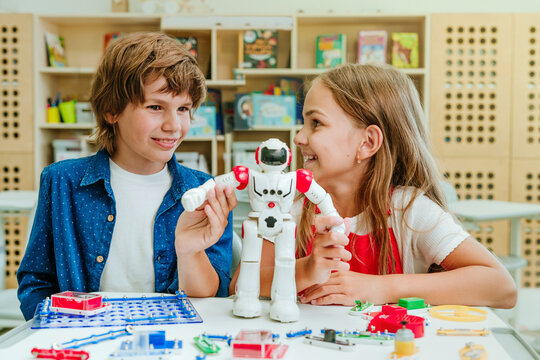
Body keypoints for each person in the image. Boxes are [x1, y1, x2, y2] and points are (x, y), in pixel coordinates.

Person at [230, 63, 517, 309]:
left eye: (316, 123)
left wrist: (381, 288)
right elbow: (239, 286)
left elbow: (502, 287)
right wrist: (305, 270)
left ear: (367, 143)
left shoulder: (409, 210)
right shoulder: (287, 205)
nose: (299, 138)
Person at [17, 32, 237, 320]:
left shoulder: (205, 190)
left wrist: (189, 253)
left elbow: (212, 298)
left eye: (183, 109)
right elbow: (37, 283)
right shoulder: (62, 182)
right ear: (112, 110)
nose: (174, 125)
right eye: (156, 107)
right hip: (84, 341)